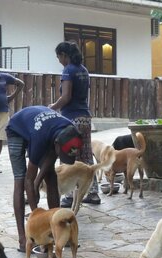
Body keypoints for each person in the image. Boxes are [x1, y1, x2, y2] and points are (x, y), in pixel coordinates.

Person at [5, 105, 83, 252]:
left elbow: (51, 158)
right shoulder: (39, 138)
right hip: (17, 128)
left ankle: (57, 230)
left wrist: (38, 181)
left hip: (45, 129)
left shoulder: (71, 131)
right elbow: (29, 180)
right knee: (20, 180)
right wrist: (38, 219)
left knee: (51, 177)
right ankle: (25, 238)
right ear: (57, 145)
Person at [48, 41, 100, 206]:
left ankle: (69, 195)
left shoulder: (68, 71)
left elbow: (66, 97)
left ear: (64, 55)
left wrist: (53, 107)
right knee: (86, 155)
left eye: (59, 57)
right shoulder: (83, 70)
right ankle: (92, 193)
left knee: (68, 156)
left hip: (71, 119)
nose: (59, 61)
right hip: (85, 117)